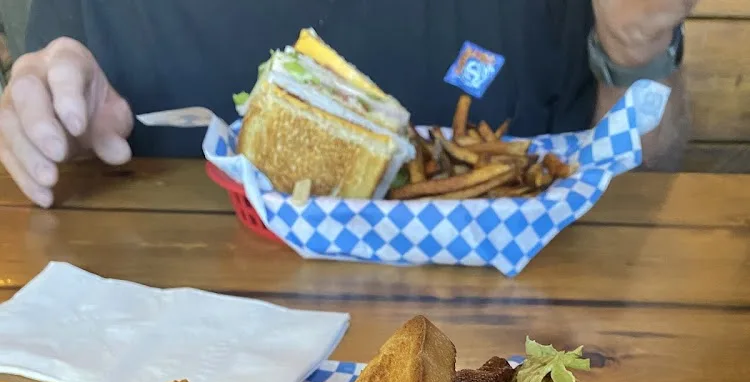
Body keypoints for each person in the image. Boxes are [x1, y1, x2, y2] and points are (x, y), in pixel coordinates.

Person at [0, 0, 694, 208]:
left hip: (491, 363)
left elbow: (643, 166)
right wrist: (54, 122)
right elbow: (62, 120)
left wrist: (637, 51)